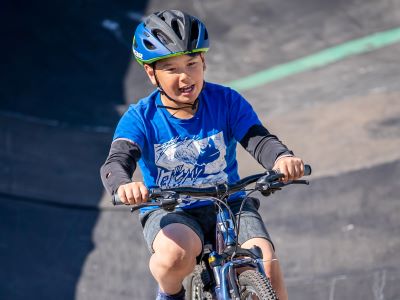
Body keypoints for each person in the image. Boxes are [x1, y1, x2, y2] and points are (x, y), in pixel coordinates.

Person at [100, 9, 304, 300]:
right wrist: (124, 185)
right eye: (171, 69)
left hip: (229, 202)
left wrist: (281, 158)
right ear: (151, 72)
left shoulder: (226, 101)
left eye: (192, 64)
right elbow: (115, 163)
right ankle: (170, 295)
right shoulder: (140, 118)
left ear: (204, 62)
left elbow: (259, 140)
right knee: (175, 256)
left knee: (265, 262)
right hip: (172, 209)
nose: (186, 77)